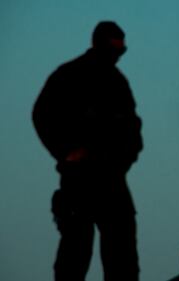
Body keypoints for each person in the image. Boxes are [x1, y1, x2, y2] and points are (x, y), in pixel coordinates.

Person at [32, 21, 143, 281]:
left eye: (121, 51)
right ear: (98, 45)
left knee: (122, 255)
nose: (116, 56)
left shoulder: (118, 83)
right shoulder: (69, 75)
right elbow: (41, 114)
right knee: (75, 252)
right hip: (79, 180)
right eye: (113, 49)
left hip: (112, 179)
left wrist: (125, 157)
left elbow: (132, 128)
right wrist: (66, 151)